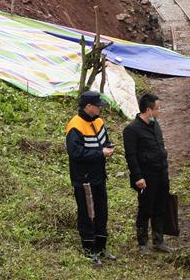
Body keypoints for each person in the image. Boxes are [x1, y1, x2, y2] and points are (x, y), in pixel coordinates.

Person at [65, 90, 116, 266]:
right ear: (88, 107)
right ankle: (89, 249)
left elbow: (103, 141)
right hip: (84, 179)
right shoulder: (75, 126)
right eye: (97, 106)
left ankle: (101, 247)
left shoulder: (99, 121)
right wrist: (100, 153)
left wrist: (108, 148)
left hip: (99, 176)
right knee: (87, 214)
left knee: (102, 211)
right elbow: (76, 153)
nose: (100, 109)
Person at [123, 93, 173, 254]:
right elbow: (131, 156)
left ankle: (159, 240)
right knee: (145, 208)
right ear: (148, 110)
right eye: (157, 108)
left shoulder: (155, 125)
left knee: (160, 207)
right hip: (146, 175)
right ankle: (142, 242)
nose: (160, 111)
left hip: (161, 172)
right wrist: (138, 176)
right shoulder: (132, 130)